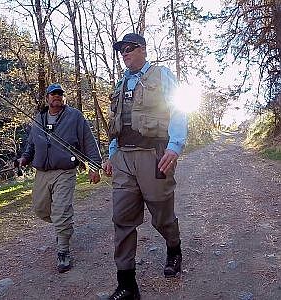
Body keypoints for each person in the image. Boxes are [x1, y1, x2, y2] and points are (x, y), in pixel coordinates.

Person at [103, 33, 188, 299]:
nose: (124, 54)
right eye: (121, 50)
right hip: (124, 158)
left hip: (155, 155)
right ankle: (127, 284)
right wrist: (111, 154)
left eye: (129, 49)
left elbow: (179, 109)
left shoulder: (161, 75)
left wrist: (175, 146)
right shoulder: (120, 84)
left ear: (142, 49)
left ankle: (174, 248)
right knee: (122, 219)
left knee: (161, 216)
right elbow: (117, 123)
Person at [18, 83, 102, 273]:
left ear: (64, 98)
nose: (56, 97)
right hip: (42, 172)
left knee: (61, 209)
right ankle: (63, 228)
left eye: (60, 94)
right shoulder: (39, 118)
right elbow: (31, 144)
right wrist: (24, 158)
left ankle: (63, 250)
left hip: (65, 171)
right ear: (47, 98)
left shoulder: (75, 117)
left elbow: (89, 142)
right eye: (52, 94)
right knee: (41, 210)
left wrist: (94, 167)